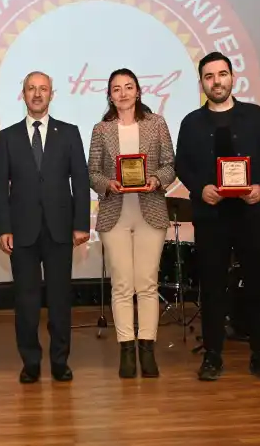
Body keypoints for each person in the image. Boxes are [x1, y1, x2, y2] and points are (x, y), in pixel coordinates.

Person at [175, 51, 260, 381]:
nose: (216, 81)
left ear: (232, 78)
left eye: (222, 74)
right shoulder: (191, 122)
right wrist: (200, 188)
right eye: (209, 77)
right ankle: (212, 355)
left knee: (257, 285)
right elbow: (182, 165)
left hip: (251, 212)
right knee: (211, 287)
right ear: (202, 83)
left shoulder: (256, 116)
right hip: (212, 217)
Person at [0, 71, 90, 383]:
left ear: (52, 94)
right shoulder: (7, 137)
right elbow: (0, 187)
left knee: (60, 300)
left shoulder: (70, 133)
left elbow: (81, 180)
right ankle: (30, 362)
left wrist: (81, 224)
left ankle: (60, 361)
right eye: (31, 89)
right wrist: (2, 228)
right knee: (26, 301)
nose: (37, 94)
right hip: (21, 231)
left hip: (61, 230)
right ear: (22, 94)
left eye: (43, 89)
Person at [88, 68, 176, 379]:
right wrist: (108, 184)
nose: (123, 93)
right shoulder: (101, 130)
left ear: (138, 91)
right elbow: (92, 172)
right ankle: (126, 349)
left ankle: (147, 350)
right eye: (116, 89)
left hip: (150, 211)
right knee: (122, 284)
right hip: (115, 214)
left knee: (147, 283)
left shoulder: (157, 124)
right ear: (109, 95)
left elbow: (170, 165)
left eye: (128, 87)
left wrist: (155, 179)